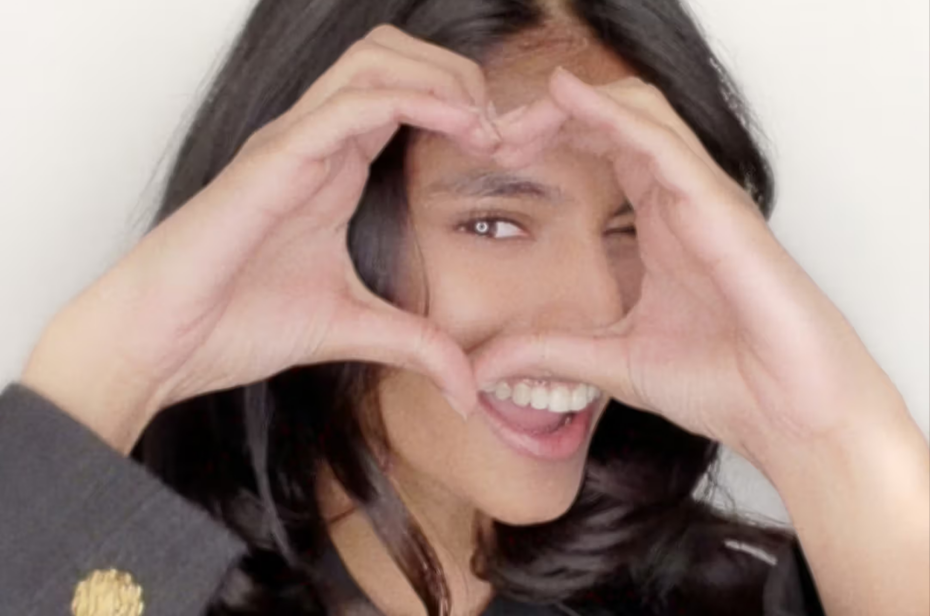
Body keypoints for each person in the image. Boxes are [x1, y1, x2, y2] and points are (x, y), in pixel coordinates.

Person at [1, 0, 927, 614]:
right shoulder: (117, 585)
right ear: (317, 223)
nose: (598, 303)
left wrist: (837, 445)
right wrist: (120, 358)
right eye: (494, 224)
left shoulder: (748, 597)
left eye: (630, 227)